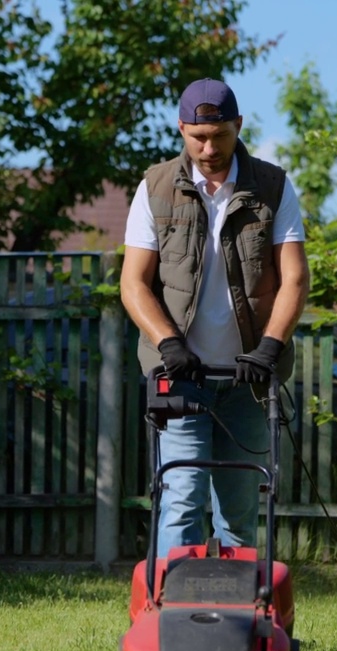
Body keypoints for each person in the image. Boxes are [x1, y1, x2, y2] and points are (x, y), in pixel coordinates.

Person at [120, 77, 310, 558]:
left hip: (247, 380)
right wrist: (168, 343)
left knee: (240, 508)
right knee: (182, 498)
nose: (208, 148)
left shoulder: (272, 187)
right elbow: (134, 283)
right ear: (181, 129)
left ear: (238, 126)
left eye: (219, 135)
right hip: (182, 376)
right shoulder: (155, 188)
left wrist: (269, 348)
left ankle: (237, 618)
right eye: (198, 137)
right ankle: (172, 613)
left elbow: (295, 279)